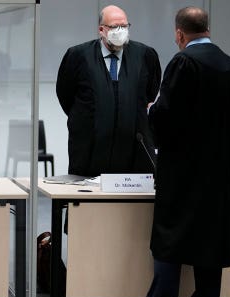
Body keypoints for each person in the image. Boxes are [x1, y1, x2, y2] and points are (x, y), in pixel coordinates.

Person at [139, 7, 230, 297]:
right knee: (210, 243)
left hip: (183, 173)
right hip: (220, 173)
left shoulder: (184, 62)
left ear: (179, 34)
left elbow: (167, 116)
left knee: (170, 243)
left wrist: (152, 110)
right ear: (208, 29)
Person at [56, 5, 161, 177]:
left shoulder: (145, 55)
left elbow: (150, 91)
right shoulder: (78, 55)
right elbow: (65, 95)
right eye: (114, 27)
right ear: (101, 30)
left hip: (133, 151)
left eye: (124, 26)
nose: (120, 31)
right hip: (90, 150)